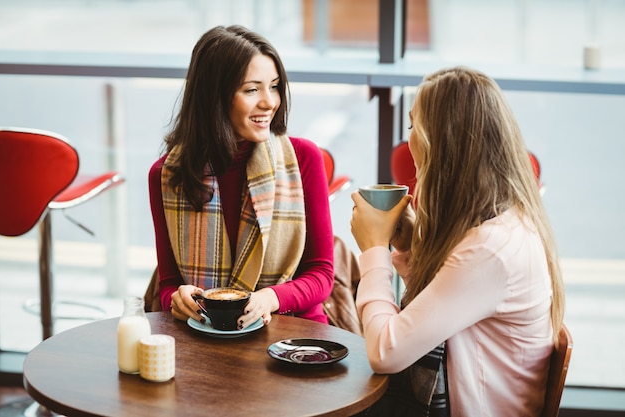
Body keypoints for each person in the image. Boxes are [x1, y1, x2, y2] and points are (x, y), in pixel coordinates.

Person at [350, 66, 565, 416]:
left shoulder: (491, 250)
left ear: (443, 145)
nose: (410, 142)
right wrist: (410, 245)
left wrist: (374, 250)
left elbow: (384, 353)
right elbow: (448, 305)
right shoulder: (503, 223)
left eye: (413, 127)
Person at [148, 25, 334, 330]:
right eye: (252, 89)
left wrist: (270, 298)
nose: (269, 102)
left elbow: (321, 274)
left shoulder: (303, 158)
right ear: (215, 97)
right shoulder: (167, 175)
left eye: (274, 86)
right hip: (208, 332)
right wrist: (177, 299)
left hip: (294, 333)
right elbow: (169, 283)